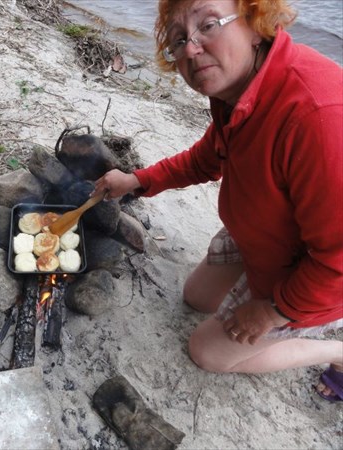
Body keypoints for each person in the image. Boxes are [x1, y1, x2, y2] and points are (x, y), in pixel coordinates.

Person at [92, 0, 343, 401]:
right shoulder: (239, 94)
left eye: (209, 24)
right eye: (178, 40)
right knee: (196, 297)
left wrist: (271, 310)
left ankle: (337, 351)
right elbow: (205, 159)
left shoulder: (318, 115)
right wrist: (137, 180)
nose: (191, 49)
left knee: (206, 352)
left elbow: (336, 259)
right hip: (260, 232)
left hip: (308, 274)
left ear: (257, 23)